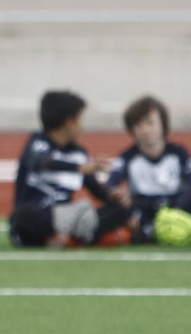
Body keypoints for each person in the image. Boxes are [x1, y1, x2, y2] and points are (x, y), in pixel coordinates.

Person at [9, 91, 129, 248]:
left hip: (67, 216)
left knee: (123, 208)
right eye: (80, 120)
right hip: (39, 215)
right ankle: (82, 235)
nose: (82, 127)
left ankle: (69, 238)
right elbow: (44, 162)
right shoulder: (37, 143)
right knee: (26, 215)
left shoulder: (78, 153)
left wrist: (113, 196)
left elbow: (97, 191)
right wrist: (79, 168)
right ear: (68, 122)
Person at [106, 95, 191, 243]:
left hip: (175, 206)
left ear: (163, 125)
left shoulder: (179, 153)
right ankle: (139, 232)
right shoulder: (127, 157)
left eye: (150, 123)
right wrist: (118, 195)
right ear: (132, 130)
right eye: (138, 125)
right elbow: (111, 184)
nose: (145, 130)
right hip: (143, 208)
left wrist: (176, 209)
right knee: (115, 210)